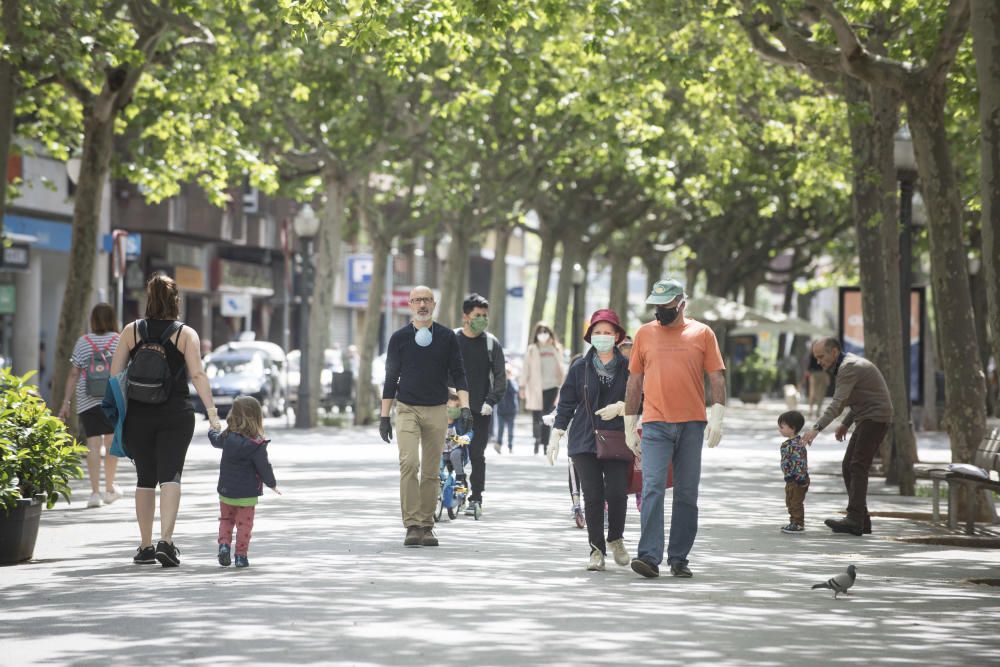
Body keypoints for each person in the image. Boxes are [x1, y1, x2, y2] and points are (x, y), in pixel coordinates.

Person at [109, 274, 222, 567]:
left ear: (149, 299)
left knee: (144, 478)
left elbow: (114, 375)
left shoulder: (130, 331)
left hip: (137, 414)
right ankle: (166, 542)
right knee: (170, 475)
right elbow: (197, 375)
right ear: (176, 301)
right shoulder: (185, 334)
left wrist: (119, 416)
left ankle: (145, 546)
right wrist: (212, 413)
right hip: (175, 413)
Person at [624, 278, 726, 579]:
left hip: (692, 425)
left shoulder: (702, 333)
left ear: (681, 303)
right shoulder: (644, 334)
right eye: (656, 305)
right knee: (652, 487)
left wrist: (717, 415)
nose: (660, 310)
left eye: (666, 305)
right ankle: (649, 557)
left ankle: (679, 558)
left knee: (686, 492)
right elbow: (634, 381)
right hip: (655, 424)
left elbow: (717, 377)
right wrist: (630, 423)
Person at [381, 285, 472, 547]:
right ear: (409, 305)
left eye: (427, 300)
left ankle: (426, 525)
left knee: (431, 471)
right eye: (417, 300)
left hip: (436, 409)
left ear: (434, 304)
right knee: (409, 464)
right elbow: (390, 379)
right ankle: (411, 525)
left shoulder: (446, 337)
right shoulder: (399, 338)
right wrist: (384, 417)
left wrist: (465, 407)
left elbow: (459, 373)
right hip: (407, 408)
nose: (422, 305)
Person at [548, 309, 631, 571]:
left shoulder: (629, 367)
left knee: (617, 493)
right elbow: (567, 403)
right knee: (593, 496)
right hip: (584, 439)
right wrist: (557, 432)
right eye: (598, 332)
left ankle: (616, 538)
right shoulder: (580, 367)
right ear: (590, 336)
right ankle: (596, 550)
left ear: (617, 336)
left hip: (618, 437)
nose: (603, 337)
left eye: (608, 332)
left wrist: (622, 406)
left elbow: (644, 396)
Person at [801, 337, 893, 536]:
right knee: (849, 466)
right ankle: (861, 519)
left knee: (857, 466)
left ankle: (854, 519)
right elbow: (861, 396)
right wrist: (845, 423)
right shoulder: (847, 364)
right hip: (868, 416)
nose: (818, 362)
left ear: (834, 352)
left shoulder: (847, 367)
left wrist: (816, 429)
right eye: (815, 358)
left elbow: (837, 404)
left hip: (874, 418)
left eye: (821, 356)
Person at [59, 303, 122, 508]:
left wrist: (66, 402)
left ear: (92, 320)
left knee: (93, 445)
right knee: (111, 443)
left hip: (87, 400)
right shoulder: (119, 340)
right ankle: (109, 489)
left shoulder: (83, 342)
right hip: (111, 399)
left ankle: (94, 493)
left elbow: (74, 373)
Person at [209, 395, 279, 569]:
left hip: (226, 491)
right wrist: (272, 484)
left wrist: (212, 429)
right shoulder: (257, 444)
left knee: (226, 519)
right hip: (247, 495)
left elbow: (214, 439)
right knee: (244, 525)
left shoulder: (227, 437)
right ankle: (241, 556)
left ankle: (224, 545)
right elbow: (264, 467)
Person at [454, 293, 506, 515]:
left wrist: (491, 401)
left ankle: (476, 498)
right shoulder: (452, 340)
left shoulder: (490, 343)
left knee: (476, 455)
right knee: (453, 453)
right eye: (478, 315)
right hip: (453, 409)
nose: (483, 319)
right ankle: (457, 491)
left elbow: (501, 377)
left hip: (480, 411)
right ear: (466, 316)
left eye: (485, 315)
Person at [521, 322, 564, 455]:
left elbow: (561, 367)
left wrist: (552, 346)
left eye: (546, 332)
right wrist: (522, 386)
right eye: (540, 332)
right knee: (536, 417)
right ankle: (537, 439)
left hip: (552, 387)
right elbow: (525, 368)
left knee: (547, 416)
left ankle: (545, 444)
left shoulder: (555, 348)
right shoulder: (532, 349)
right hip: (536, 388)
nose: (543, 335)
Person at [778, 410, 809, 534]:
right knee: (790, 500)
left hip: (797, 479)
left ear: (792, 428)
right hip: (790, 478)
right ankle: (793, 522)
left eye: (782, 427)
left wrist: (799, 478)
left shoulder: (796, 445)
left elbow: (800, 462)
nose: (779, 429)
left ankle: (798, 524)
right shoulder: (788, 443)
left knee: (796, 502)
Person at [444, 391, 472, 485]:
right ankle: (439, 479)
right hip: (442, 451)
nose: (453, 409)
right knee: (436, 460)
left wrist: (466, 438)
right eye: (449, 406)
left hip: (457, 450)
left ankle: (460, 478)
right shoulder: (439, 422)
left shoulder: (461, 423)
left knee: (455, 455)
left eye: (457, 407)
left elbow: (470, 432)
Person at [495, 364, 519, 454]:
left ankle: (510, 446)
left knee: (510, 430)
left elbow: (515, 391)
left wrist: (509, 380)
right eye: (505, 372)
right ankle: (498, 445)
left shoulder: (513, 382)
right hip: (501, 410)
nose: (506, 374)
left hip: (511, 411)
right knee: (500, 429)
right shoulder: (500, 382)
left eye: (508, 372)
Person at [805, 352, 830, 418]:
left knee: (813, 392)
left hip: (814, 374)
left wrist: (808, 371)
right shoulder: (824, 352)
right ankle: (818, 411)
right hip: (823, 373)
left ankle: (810, 410)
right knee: (821, 393)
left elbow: (809, 364)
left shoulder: (813, 352)